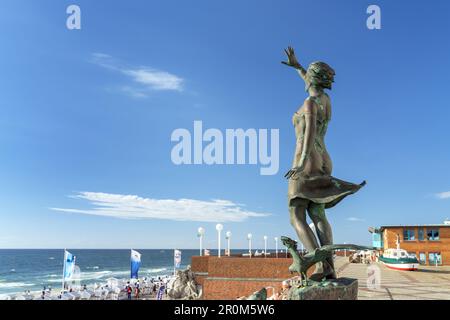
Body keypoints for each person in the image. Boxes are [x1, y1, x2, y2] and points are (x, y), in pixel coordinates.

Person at [282, 46, 365, 280]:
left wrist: (299, 163)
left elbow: (307, 136)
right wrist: (298, 66)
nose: (305, 77)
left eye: (308, 73)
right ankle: (329, 267)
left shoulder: (309, 103)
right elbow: (309, 79)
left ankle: (317, 264)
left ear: (313, 79)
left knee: (296, 213)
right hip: (325, 159)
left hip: (306, 159)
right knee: (317, 212)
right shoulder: (325, 99)